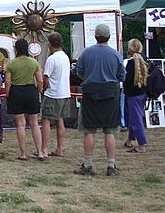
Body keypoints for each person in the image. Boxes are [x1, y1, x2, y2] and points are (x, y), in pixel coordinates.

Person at [74, 24, 125, 176]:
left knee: (89, 130)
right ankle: (111, 166)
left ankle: (88, 165)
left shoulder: (86, 53)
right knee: (110, 130)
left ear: (95, 36)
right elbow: (122, 75)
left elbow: (79, 72)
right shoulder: (115, 54)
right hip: (110, 93)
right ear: (108, 36)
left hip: (90, 93)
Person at [5, 38, 45, 161]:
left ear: (16, 49)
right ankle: (40, 152)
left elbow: (7, 82)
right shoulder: (34, 63)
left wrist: (8, 94)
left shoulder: (11, 63)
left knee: (20, 124)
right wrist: (38, 90)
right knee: (34, 123)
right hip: (31, 91)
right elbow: (40, 80)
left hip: (17, 92)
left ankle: (23, 153)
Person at [41, 32, 71, 158]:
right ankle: (59, 148)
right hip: (64, 92)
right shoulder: (65, 57)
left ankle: (44, 149)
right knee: (60, 120)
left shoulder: (52, 59)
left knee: (46, 120)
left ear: (49, 44)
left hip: (53, 93)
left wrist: (43, 89)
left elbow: (46, 77)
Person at [123, 38, 148, 153]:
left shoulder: (131, 62)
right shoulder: (144, 59)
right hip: (143, 92)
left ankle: (141, 144)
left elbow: (127, 80)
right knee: (135, 116)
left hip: (133, 94)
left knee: (136, 118)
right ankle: (129, 140)